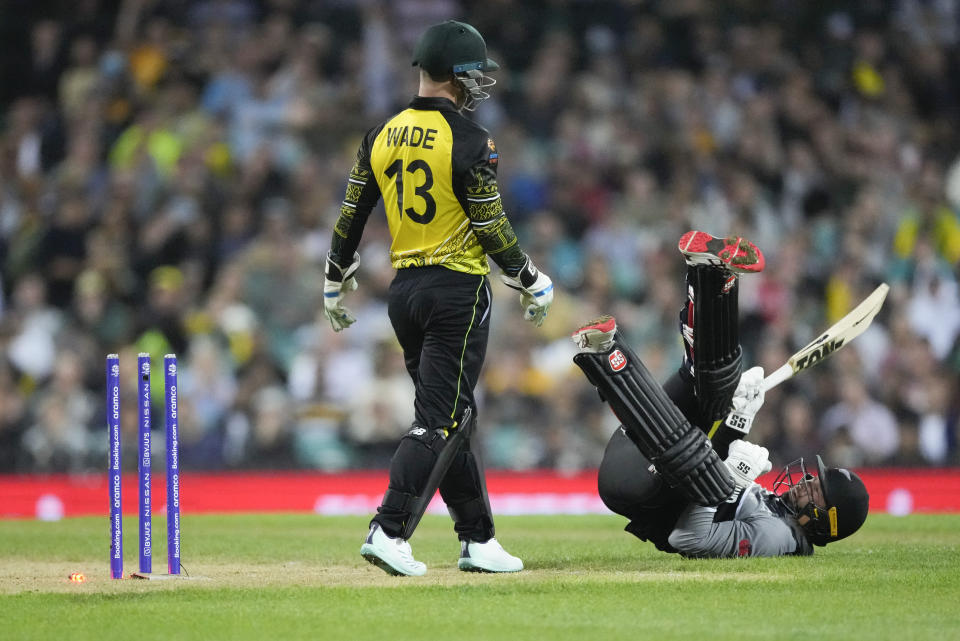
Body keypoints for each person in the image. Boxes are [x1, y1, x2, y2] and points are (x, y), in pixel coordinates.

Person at [323, 20, 553, 576]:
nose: (482, 84)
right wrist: (528, 277)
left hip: (404, 293)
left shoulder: (381, 132)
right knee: (439, 421)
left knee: (453, 416)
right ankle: (390, 528)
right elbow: (490, 223)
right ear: (459, 75)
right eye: (476, 73)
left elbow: (352, 213)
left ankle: (478, 539)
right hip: (456, 290)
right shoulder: (472, 140)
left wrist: (334, 278)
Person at [572, 231, 869, 557]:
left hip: (637, 485)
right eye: (815, 478)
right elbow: (715, 457)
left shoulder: (778, 537)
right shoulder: (775, 510)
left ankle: (610, 360)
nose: (806, 482)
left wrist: (733, 477)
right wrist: (741, 415)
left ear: (827, 520)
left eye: (817, 490)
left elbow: (688, 539)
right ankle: (710, 276)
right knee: (717, 387)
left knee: (703, 462)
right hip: (644, 446)